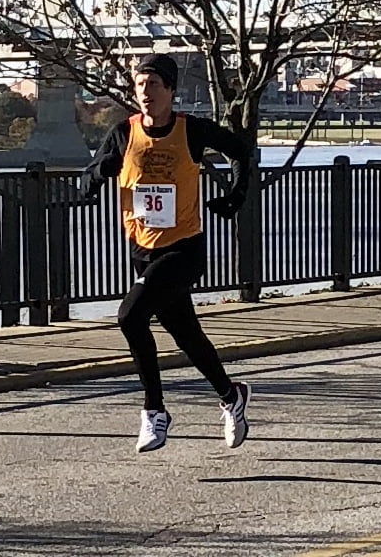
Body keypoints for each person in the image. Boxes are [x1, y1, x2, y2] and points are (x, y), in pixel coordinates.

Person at [80, 52, 253, 454]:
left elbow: (241, 150)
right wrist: (99, 173)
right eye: (140, 85)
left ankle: (154, 411)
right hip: (142, 250)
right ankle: (232, 396)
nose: (146, 92)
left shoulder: (191, 130)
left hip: (184, 249)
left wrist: (235, 196)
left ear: (171, 90)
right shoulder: (123, 132)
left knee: (130, 316)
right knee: (186, 334)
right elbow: (86, 180)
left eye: (154, 84)